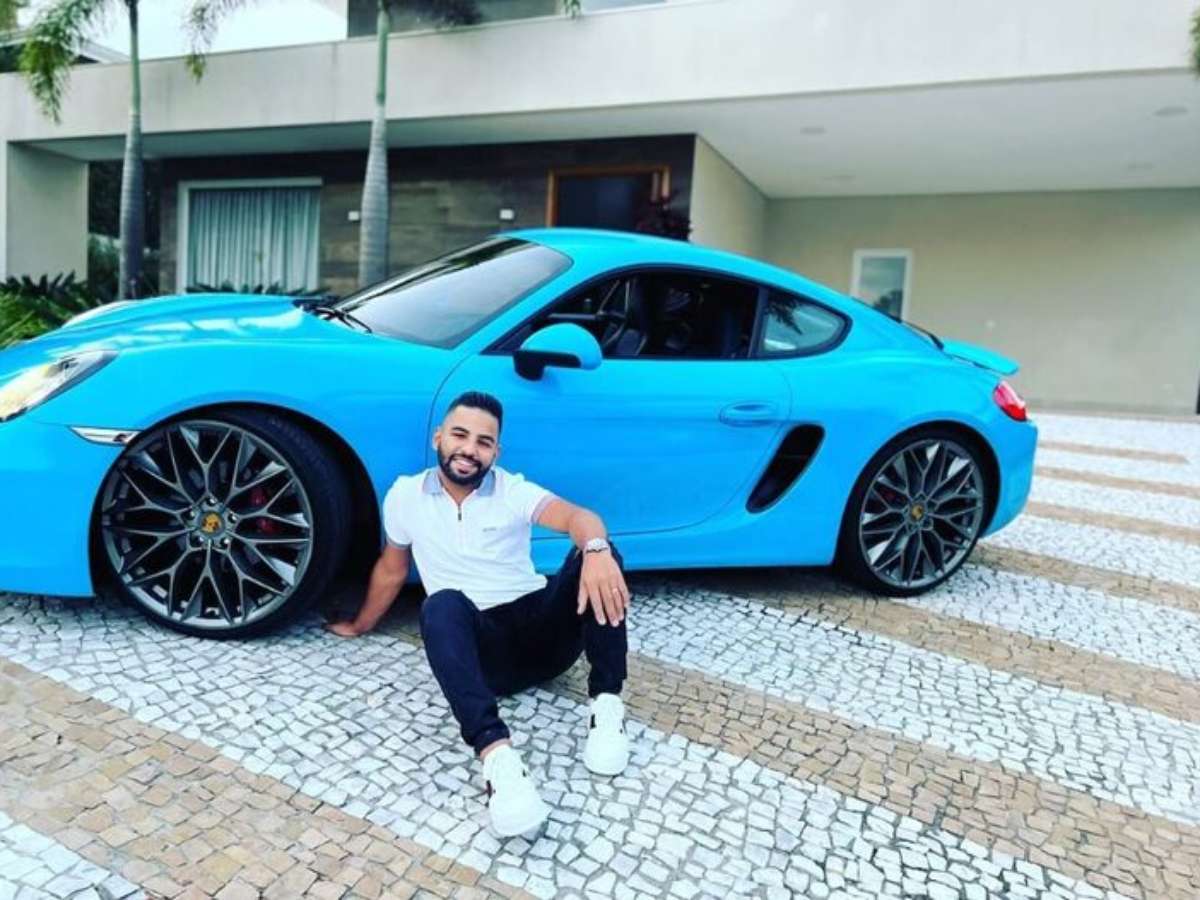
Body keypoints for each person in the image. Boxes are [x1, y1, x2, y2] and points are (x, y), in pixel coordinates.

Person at [326, 390, 632, 837]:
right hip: (483, 654)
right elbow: (392, 569)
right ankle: (499, 763)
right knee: (440, 605)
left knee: (599, 554)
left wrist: (597, 549)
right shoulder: (405, 496)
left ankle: (606, 707)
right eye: (460, 435)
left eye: (483, 442)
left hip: (542, 635)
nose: (469, 449)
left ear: (496, 452)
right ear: (438, 438)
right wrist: (360, 624)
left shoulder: (512, 490)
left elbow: (576, 517)